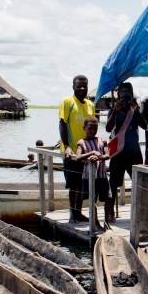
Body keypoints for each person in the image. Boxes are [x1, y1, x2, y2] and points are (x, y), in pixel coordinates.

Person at [59, 75, 96, 223]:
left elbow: (92, 126)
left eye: (84, 86)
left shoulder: (90, 105)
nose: (82, 88)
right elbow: (62, 124)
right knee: (73, 184)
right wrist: (66, 146)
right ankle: (72, 214)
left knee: (83, 183)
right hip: (72, 152)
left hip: (86, 151)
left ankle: (79, 212)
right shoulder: (67, 102)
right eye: (79, 86)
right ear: (73, 86)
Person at [105, 82, 145, 209]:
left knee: (139, 183)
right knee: (113, 184)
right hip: (118, 153)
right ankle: (110, 211)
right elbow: (108, 128)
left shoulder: (135, 111)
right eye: (123, 98)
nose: (126, 101)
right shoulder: (113, 111)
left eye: (128, 98)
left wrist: (137, 110)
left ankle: (139, 209)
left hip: (134, 152)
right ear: (118, 98)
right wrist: (115, 112)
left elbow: (144, 125)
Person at [75, 116, 111, 226]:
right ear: (84, 128)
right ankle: (96, 222)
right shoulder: (82, 143)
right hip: (89, 176)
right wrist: (92, 153)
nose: (92, 131)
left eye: (95, 129)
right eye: (90, 128)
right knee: (92, 199)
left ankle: (106, 221)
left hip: (102, 174)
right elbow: (78, 157)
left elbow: (107, 155)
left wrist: (99, 157)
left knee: (108, 198)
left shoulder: (101, 140)